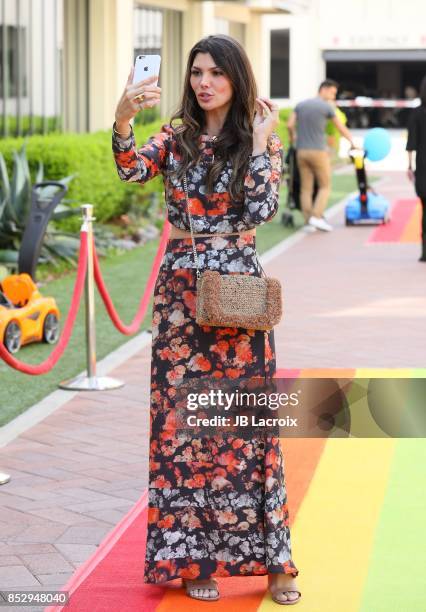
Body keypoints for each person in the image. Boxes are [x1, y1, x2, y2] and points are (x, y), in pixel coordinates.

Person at [112, 34, 301, 605]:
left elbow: (262, 209)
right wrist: (123, 121)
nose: (204, 82)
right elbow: (131, 171)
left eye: (217, 73)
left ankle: (273, 561)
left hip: (239, 286)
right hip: (181, 292)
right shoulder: (176, 135)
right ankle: (196, 559)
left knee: (247, 423)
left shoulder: (258, 136)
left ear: (236, 79)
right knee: (183, 429)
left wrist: (266, 143)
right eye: (197, 72)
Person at [287, 79, 356, 232]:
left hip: (301, 152)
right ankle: (317, 217)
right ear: (323, 89)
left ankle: (308, 222)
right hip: (318, 151)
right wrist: (353, 142)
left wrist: (293, 138)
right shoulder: (327, 107)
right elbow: (340, 128)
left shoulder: (301, 105)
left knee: (306, 188)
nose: (333, 96)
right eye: (332, 92)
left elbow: (289, 124)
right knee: (325, 186)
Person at [406, 75, 426, 262]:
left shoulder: (417, 113)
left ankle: (424, 251)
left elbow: (411, 143)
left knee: (424, 210)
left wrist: (410, 166)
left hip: (423, 168)